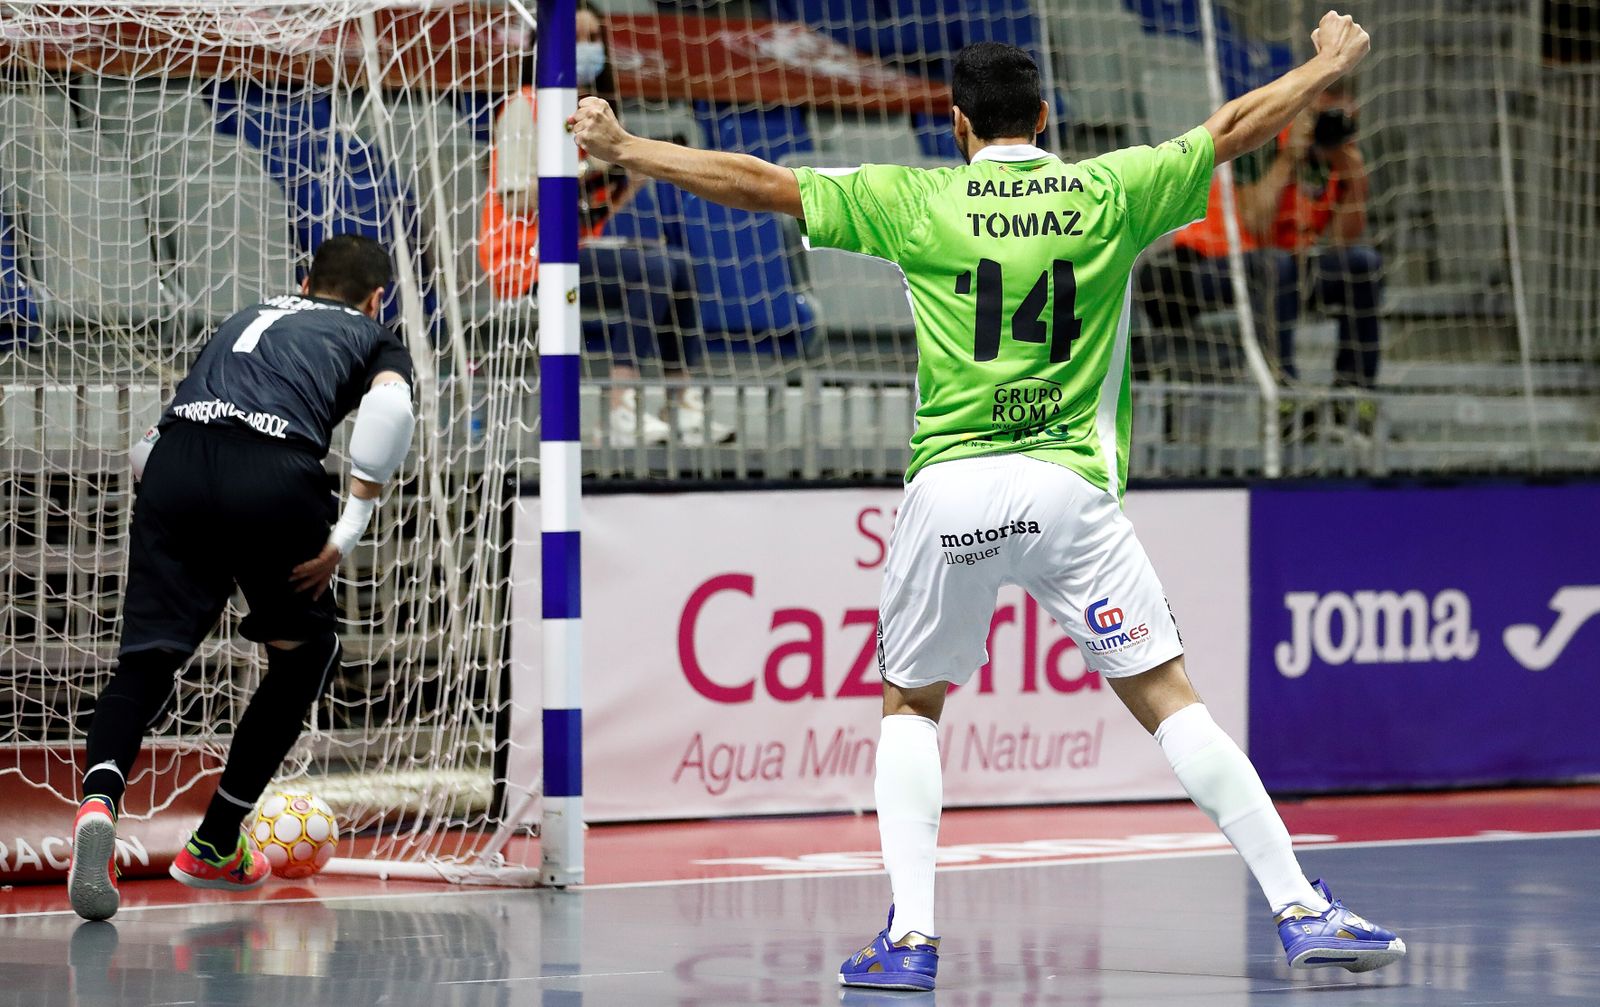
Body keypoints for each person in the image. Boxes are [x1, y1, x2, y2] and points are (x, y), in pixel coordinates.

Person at [570, 10, 1405, 991]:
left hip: (953, 486)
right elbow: (1231, 130)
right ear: (1045, 116)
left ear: (957, 124)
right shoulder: (1108, 187)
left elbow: (762, 184)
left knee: (912, 704)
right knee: (1172, 702)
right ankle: (1301, 909)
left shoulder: (919, 200)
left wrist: (625, 146)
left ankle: (912, 939)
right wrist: (1323, 63)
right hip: (1069, 490)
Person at [67, 234, 416, 921]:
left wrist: (181, 507)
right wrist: (343, 533)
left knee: (145, 661)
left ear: (303, 279)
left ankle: (98, 803)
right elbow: (391, 411)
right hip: (271, 471)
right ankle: (216, 841)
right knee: (304, 653)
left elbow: (148, 446)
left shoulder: (244, 317)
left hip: (175, 461)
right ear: (377, 297)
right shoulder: (376, 336)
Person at [479, 0, 731, 448]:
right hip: (525, 261)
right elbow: (516, 200)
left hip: (573, 253)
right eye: (577, 37)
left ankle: (682, 404)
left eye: (595, 39)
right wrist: (587, 174)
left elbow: (593, 207)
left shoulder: (594, 115)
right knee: (651, 270)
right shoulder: (525, 106)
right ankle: (621, 407)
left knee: (678, 267)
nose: (588, 47)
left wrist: (630, 175)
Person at [1140, 78, 1382, 406]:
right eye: (1319, 115)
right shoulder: (1266, 140)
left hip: (1280, 270)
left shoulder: (1340, 161)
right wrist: (1288, 159)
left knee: (1363, 264)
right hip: (1204, 263)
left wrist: (1354, 180)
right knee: (1274, 265)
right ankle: (1282, 395)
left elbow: (1340, 240)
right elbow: (1256, 221)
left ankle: (1354, 397)